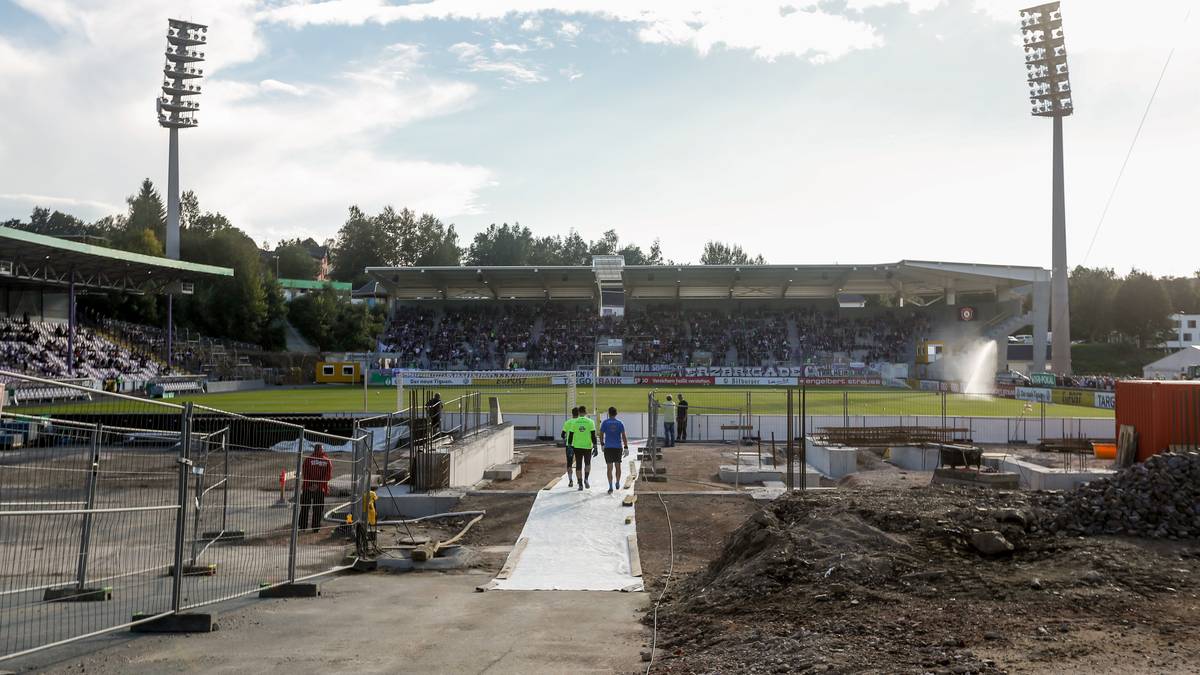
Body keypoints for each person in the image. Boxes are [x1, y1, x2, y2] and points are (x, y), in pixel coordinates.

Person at [299, 444, 332, 533]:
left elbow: (305, 473)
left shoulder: (308, 460)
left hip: (307, 487)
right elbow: (328, 476)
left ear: (314, 450)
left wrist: (310, 484)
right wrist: (318, 485)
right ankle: (316, 528)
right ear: (322, 450)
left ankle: (302, 527)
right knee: (318, 508)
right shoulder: (327, 461)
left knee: (305, 507)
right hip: (320, 488)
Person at [566, 405, 598, 490]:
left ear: (579, 412)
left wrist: (569, 445)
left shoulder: (574, 422)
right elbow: (593, 435)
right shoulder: (590, 422)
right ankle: (586, 479)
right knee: (587, 463)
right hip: (587, 446)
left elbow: (571, 435)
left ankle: (580, 484)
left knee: (578, 465)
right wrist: (595, 446)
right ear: (586, 412)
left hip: (577, 447)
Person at [599, 406, 629, 495]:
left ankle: (610, 486)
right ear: (616, 414)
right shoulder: (620, 423)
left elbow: (601, 434)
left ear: (609, 413)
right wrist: (626, 446)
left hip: (608, 447)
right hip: (617, 448)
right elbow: (623, 436)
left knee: (609, 468)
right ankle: (618, 482)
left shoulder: (605, 422)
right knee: (618, 466)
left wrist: (602, 444)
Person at [561, 406, 579, 487]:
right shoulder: (580, 422)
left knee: (569, 463)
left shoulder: (567, 422)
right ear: (578, 414)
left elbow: (562, 435)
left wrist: (566, 439)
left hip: (569, 445)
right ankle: (579, 480)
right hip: (579, 445)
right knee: (579, 463)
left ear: (572, 414)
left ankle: (570, 480)